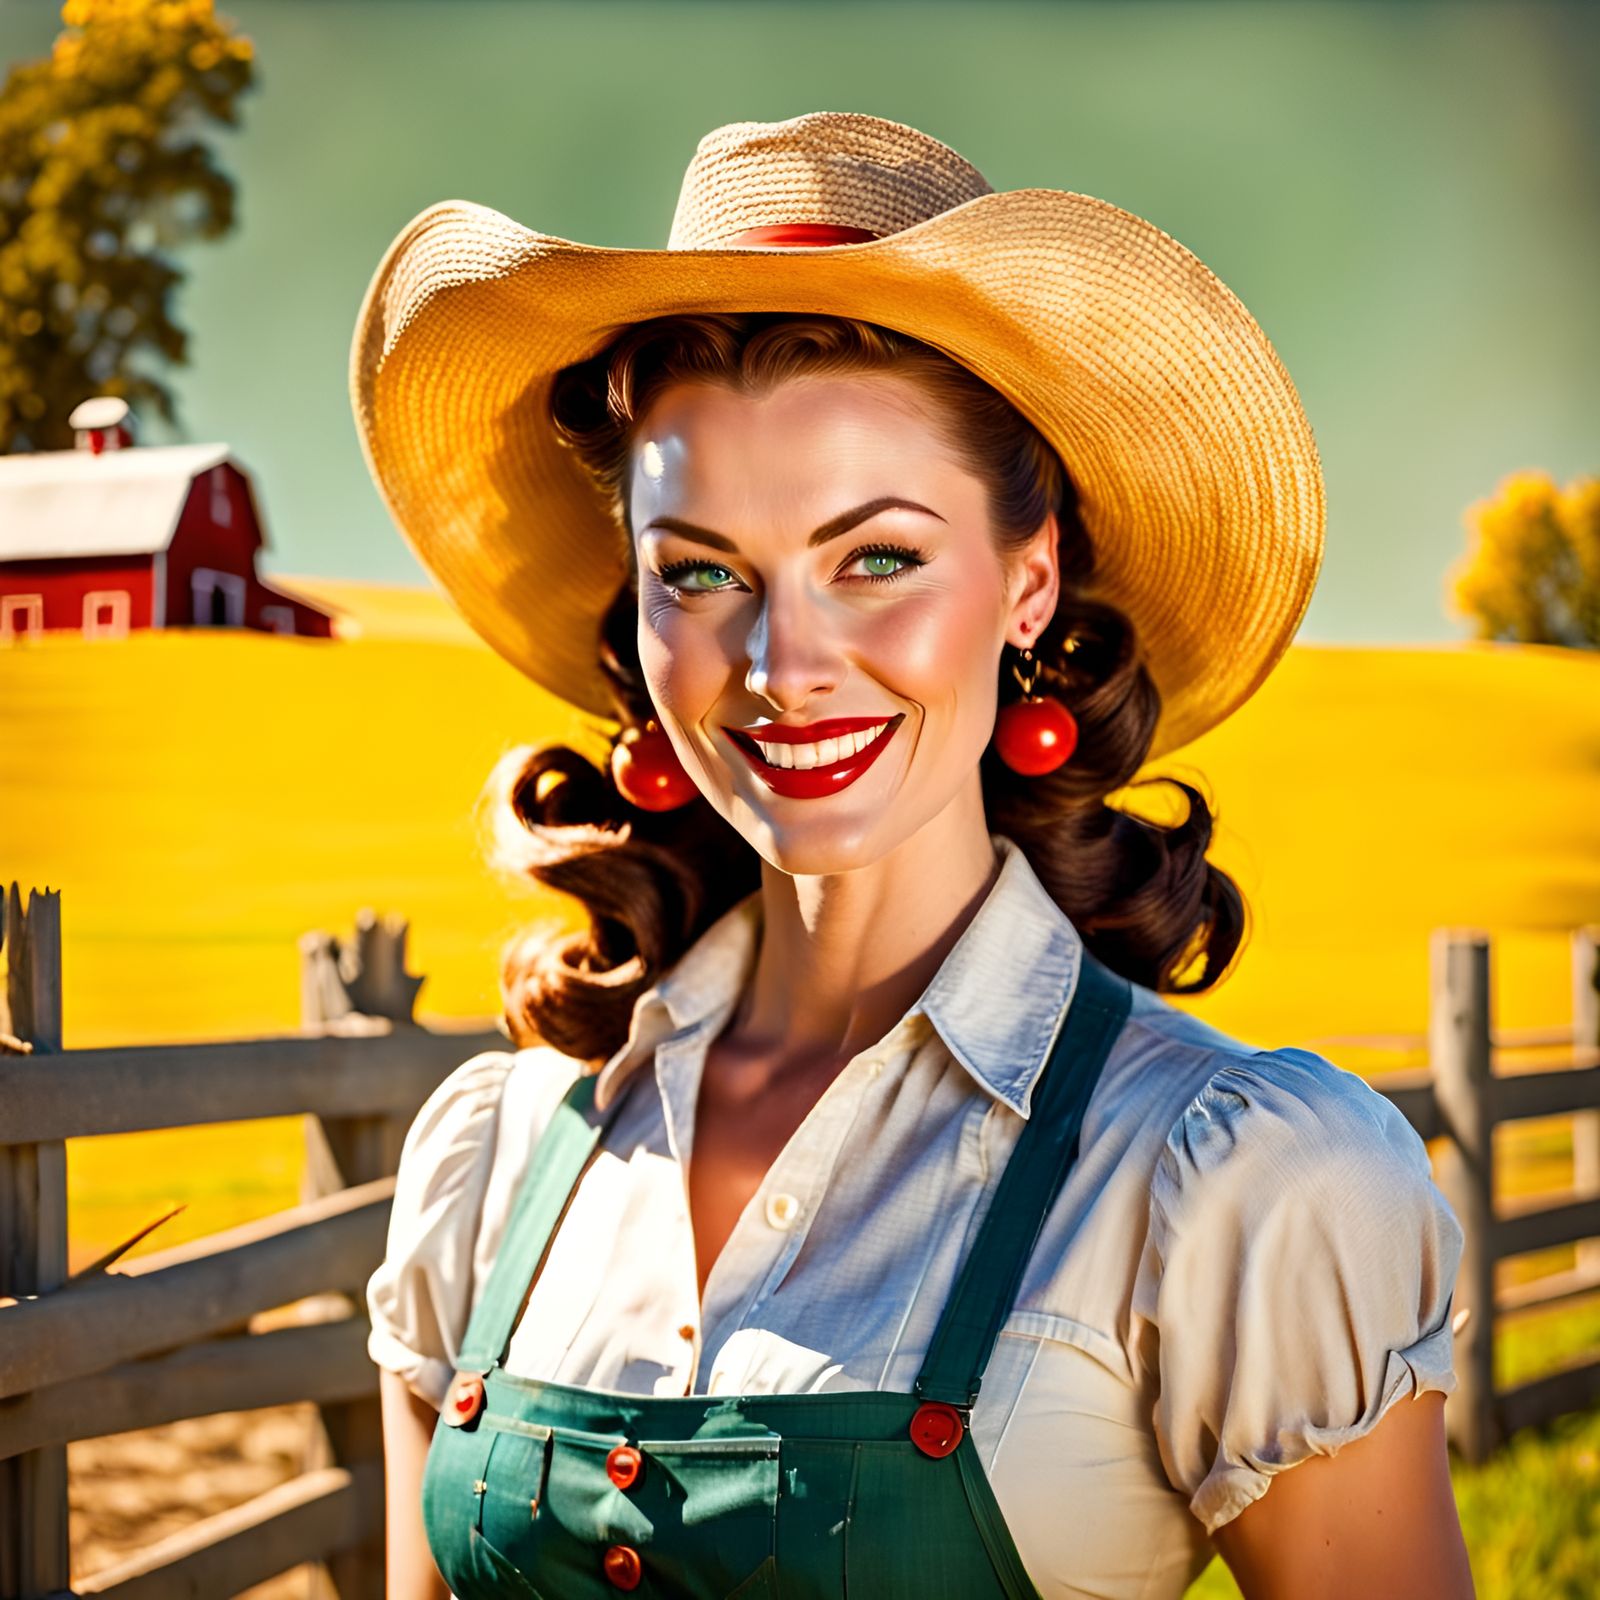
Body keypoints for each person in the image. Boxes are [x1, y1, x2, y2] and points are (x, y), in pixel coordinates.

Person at [349, 113, 1474, 1600]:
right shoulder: (500, 1155)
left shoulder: (1231, 1181)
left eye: (875, 557)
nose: (782, 664)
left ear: (1026, 583)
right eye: (700, 572)